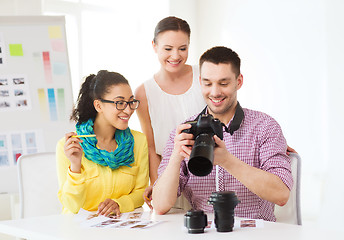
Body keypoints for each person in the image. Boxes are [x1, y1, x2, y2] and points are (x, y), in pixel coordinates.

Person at [152, 46, 293, 221]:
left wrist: (227, 160)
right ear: (200, 82)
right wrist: (176, 157)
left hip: (255, 233)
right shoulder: (183, 131)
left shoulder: (265, 127)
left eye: (223, 83)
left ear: (239, 81)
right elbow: (159, 205)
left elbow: (281, 194)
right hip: (204, 232)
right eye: (207, 83)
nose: (215, 92)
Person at [56, 70, 149, 216]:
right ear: (98, 106)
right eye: (119, 103)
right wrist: (75, 165)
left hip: (119, 227)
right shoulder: (68, 146)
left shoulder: (139, 141)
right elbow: (72, 205)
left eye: (131, 102)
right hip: (79, 230)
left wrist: (119, 204)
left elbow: (141, 192)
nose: (128, 110)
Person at [135, 16, 206, 207]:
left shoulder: (204, 75)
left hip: (209, 176)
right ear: (154, 46)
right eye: (168, 49)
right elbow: (151, 147)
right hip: (171, 181)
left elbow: (228, 117)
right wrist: (157, 185)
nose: (175, 56)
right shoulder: (144, 92)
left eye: (182, 48)